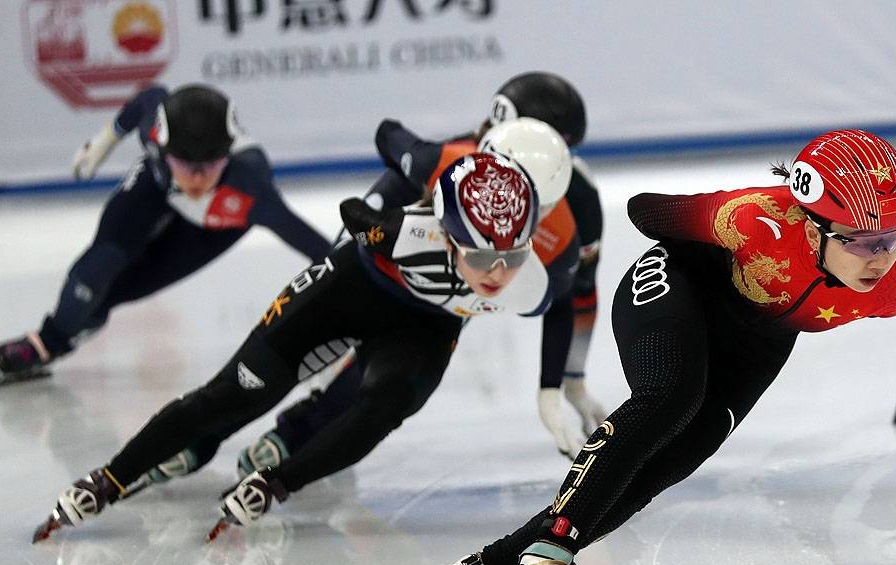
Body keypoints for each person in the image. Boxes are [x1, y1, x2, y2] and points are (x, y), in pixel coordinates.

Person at [395, 128, 896, 565]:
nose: (881, 258)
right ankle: (553, 547)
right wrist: (723, 219)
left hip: (756, 344)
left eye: (893, 238)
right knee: (671, 398)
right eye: (864, 241)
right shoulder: (750, 219)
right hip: (680, 285)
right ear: (810, 226)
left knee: (677, 456)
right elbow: (645, 212)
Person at [32, 152, 568, 542]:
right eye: (479, 258)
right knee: (233, 395)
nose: (496, 275)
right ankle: (109, 478)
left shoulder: (532, 283)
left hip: (422, 328)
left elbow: (560, 302)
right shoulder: (409, 233)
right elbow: (363, 196)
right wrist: (373, 222)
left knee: (384, 407)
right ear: (447, 236)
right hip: (348, 293)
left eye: (511, 258)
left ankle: (277, 483)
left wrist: (556, 388)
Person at [221, 71, 607, 483]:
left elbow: (575, 294)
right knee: (358, 317)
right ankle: (282, 423)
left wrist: (569, 384)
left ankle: (300, 429)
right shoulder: (446, 161)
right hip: (399, 261)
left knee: (399, 355)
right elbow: (370, 205)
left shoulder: (576, 203)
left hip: (455, 288)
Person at [0, 83, 330, 383]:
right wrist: (102, 142)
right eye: (184, 163)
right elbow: (150, 97)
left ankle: (72, 332)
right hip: (156, 190)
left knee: (122, 289)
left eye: (210, 165)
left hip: (215, 223)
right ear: (161, 147)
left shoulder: (252, 189)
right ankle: (47, 339)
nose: (196, 178)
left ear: (227, 156)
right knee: (100, 264)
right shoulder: (155, 134)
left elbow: (321, 252)